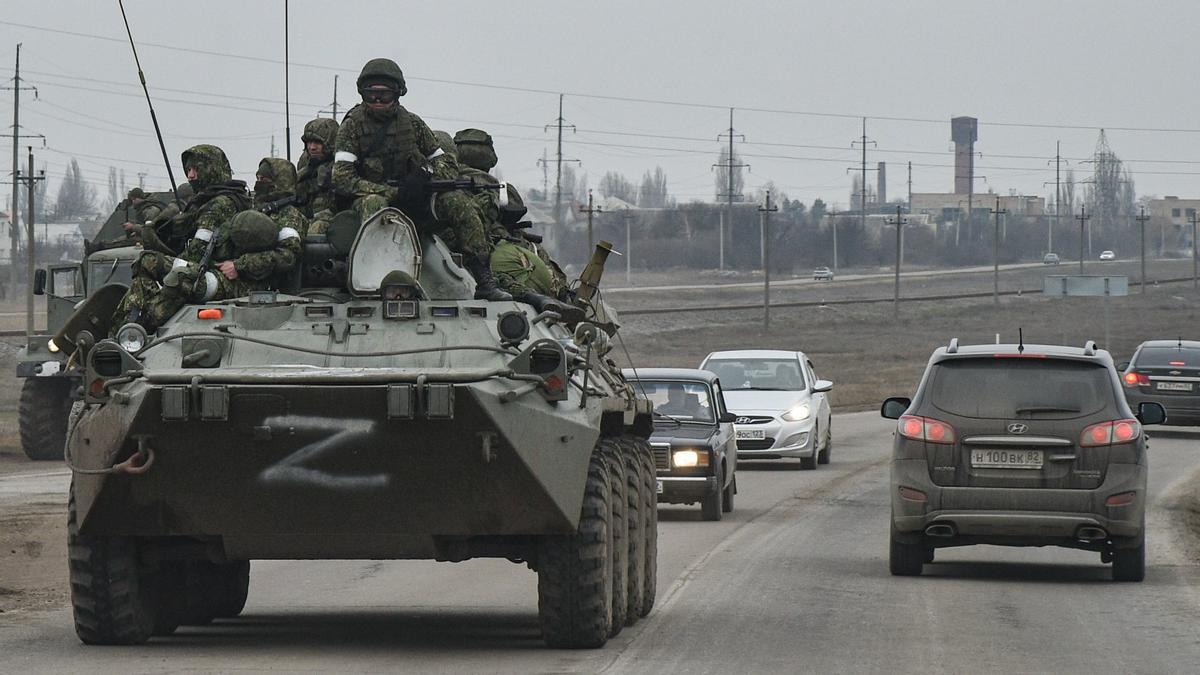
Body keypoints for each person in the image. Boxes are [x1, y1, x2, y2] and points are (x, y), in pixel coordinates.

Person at [332, 58, 508, 301]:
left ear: (398, 93)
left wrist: (425, 177)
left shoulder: (412, 124)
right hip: (371, 199)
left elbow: (446, 163)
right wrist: (389, 192)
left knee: (458, 202)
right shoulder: (352, 127)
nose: (378, 101)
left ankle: (483, 277)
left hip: (416, 200)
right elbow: (342, 178)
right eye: (372, 95)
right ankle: (373, 281)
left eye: (385, 94)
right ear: (362, 94)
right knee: (376, 208)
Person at [112, 145, 298, 332]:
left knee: (174, 274)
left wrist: (239, 265)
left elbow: (287, 256)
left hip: (241, 282)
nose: (191, 175)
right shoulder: (245, 206)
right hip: (220, 272)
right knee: (148, 268)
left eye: (195, 169)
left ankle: (140, 330)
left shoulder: (286, 215)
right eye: (188, 170)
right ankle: (125, 330)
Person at [452, 128, 578, 319]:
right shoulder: (492, 187)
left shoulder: (476, 184)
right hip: (477, 252)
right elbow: (514, 209)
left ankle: (546, 299)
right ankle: (550, 298)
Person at [295, 117, 339, 234]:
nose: (312, 147)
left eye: (318, 142)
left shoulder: (341, 164)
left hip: (333, 218)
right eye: (309, 142)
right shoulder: (305, 163)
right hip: (308, 215)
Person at [254, 157, 309, 239]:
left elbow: (289, 247)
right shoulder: (257, 209)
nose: (259, 183)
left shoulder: (291, 214)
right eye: (258, 178)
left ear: (278, 183)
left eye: (263, 179)